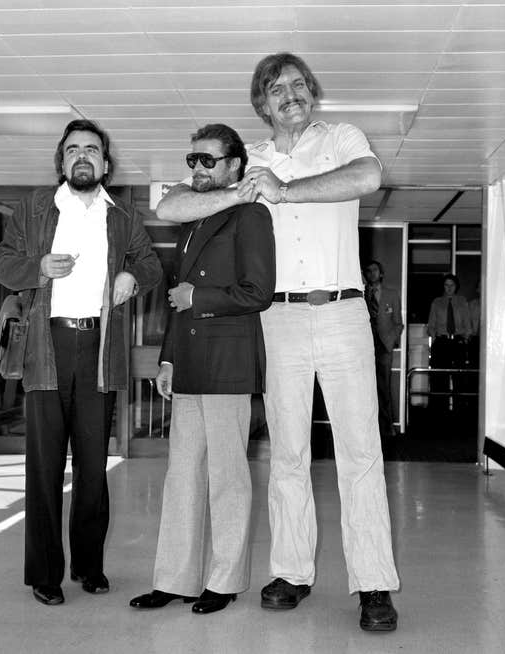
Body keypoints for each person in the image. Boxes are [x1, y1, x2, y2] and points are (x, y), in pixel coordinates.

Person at [156, 53, 399, 632]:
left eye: (298, 85)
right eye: (275, 88)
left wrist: (284, 190)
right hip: (279, 320)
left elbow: (367, 178)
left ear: (311, 93)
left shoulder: (340, 137)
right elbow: (170, 205)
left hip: (342, 312)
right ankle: (291, 572)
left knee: (360, 453)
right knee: (287, 453)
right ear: (261, 105)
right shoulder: (251, 161)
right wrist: (241, 194)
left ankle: (373, 585)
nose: (289, 94)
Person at [0, 119, 162, 606]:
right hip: (46, 349)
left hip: (98, 350)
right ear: (61, 162)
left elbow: (151, 265)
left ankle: (90, 566)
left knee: (93, 468)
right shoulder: (34, 210)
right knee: (44, 467)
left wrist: (132, 273)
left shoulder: (123, 217)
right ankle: (45, 574)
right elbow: (4, 263)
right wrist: (38, 267)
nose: (81, 156)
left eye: (91, 150)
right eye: (72, 150)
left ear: (105, 164)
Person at [129, 124, 275, 615]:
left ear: (235, 165)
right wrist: (168, 357)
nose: (197, 169)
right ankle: (175, 578)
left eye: (207, 160)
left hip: (228, 364)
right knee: (181, 474)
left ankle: (225, 579)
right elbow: (176, 298)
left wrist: (201, 298)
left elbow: (259, 292)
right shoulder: (193, 219)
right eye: (192, 160)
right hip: (190, 363)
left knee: (229, 476)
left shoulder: (251, 215)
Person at [364, 260, 403, 440]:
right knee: (364, 389)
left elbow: (398, 323)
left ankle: (387, 428)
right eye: (368, 271)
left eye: (375, 270)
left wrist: (391, 341)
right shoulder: (361, 295)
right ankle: (367, 430)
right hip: (364, 347)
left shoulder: (392, 294)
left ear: (381, 274)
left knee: (384, 388)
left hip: (384, 346)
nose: (371, 273)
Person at [427, 273, 471, 410]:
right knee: (439, 379)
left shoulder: (462, 301)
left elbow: (467, 324)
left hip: (457, 342)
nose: (449, 288)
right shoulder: (437, 302)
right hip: (441, 343)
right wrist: (434, 338)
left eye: (451, 285)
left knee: (459, 379)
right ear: (443, 286)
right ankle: (440, 411)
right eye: (446, 285)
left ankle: (459, 411)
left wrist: (465, 339)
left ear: (456, 286)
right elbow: (431, 325)